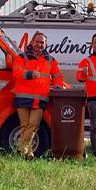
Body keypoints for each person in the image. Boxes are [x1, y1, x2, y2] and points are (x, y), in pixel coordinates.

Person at [12, 31, 65, 159]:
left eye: (42, 42)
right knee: (25, 125)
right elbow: (16, 72)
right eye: (37, 42)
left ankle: (21, 149)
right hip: (22, 97)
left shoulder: (50, 60)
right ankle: (28, 153)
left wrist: (58, 86)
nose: (39, 44)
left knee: (33, 125)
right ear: (32, 42)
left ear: (46, 44)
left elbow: (57, 75)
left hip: (40, 98)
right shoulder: (22, 57)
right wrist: (30, 74)